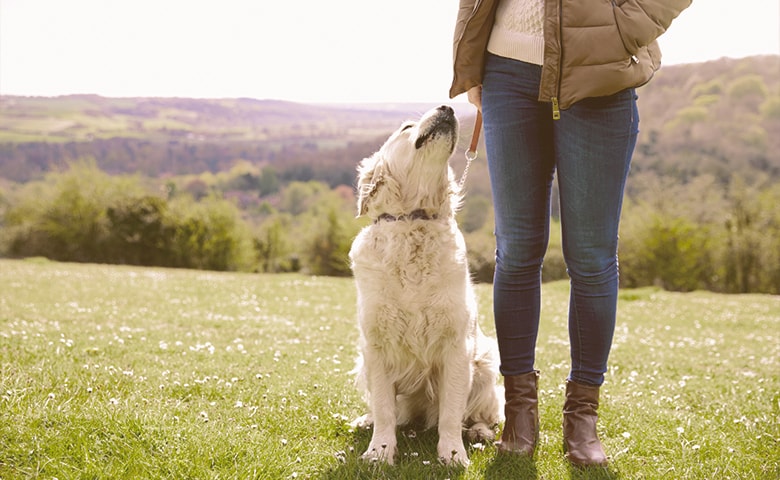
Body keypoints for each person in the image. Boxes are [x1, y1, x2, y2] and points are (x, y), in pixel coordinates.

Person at [450, 0, 691, 467]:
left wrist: (624, 28)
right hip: (508, 71)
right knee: (516, 250)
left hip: (599, 70)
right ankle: (520, 411)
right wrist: (471, 58)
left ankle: (582, 417)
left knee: (592, 258)